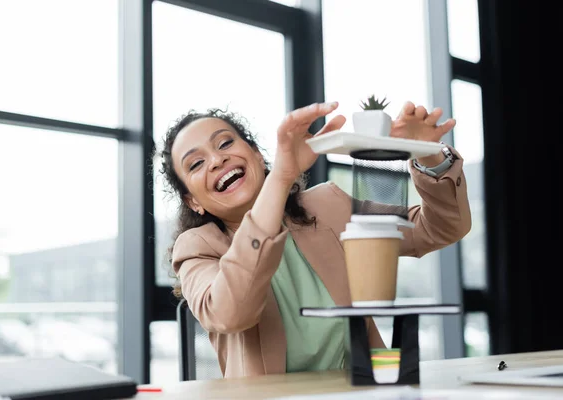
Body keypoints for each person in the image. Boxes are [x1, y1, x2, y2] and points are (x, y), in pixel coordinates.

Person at [156, 101, 471, 378]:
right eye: (196, 163)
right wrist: (281, 176)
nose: (216, 160)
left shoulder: (327, 205)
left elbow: (437, 228)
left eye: (225, 143)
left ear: (255, 154)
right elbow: (231, 313)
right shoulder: (196, 247)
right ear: (192, 201)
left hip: (360, 392)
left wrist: (428, 156)